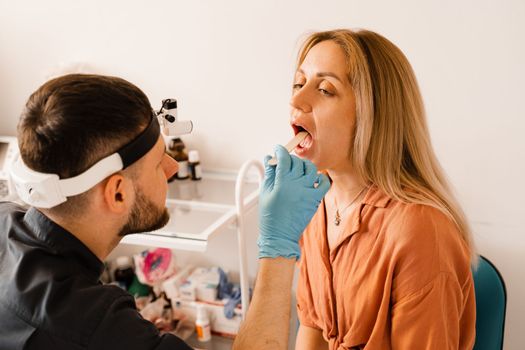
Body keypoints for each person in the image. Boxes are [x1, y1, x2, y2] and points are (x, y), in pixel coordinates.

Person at [0, 74, 330, 350]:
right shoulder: (93, 328)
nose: (173, 169)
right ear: (117, 193)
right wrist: (277, 247)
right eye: (158, 162)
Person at [291, 29, 476, 349]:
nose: (296, 100)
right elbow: (313, 329)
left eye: (324, 89)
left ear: (372, 113)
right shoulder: (317, 203)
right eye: (298, 83)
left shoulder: (421, 232)